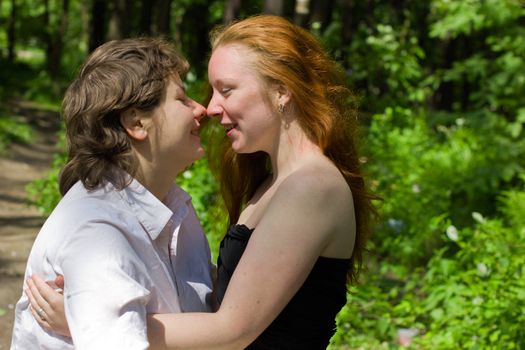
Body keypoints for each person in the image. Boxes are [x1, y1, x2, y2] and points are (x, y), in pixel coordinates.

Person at [26, 15, 376, 349]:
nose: (210, 108)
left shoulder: (311, 187)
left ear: (282, 90)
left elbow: (232, 331)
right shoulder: (276, 183)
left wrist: (90, 318)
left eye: (227, 90)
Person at [10, 37, 215, 349]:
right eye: (182, 99)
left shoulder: (176, 209)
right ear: (137, 122)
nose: (201, 109)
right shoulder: (97, 233)